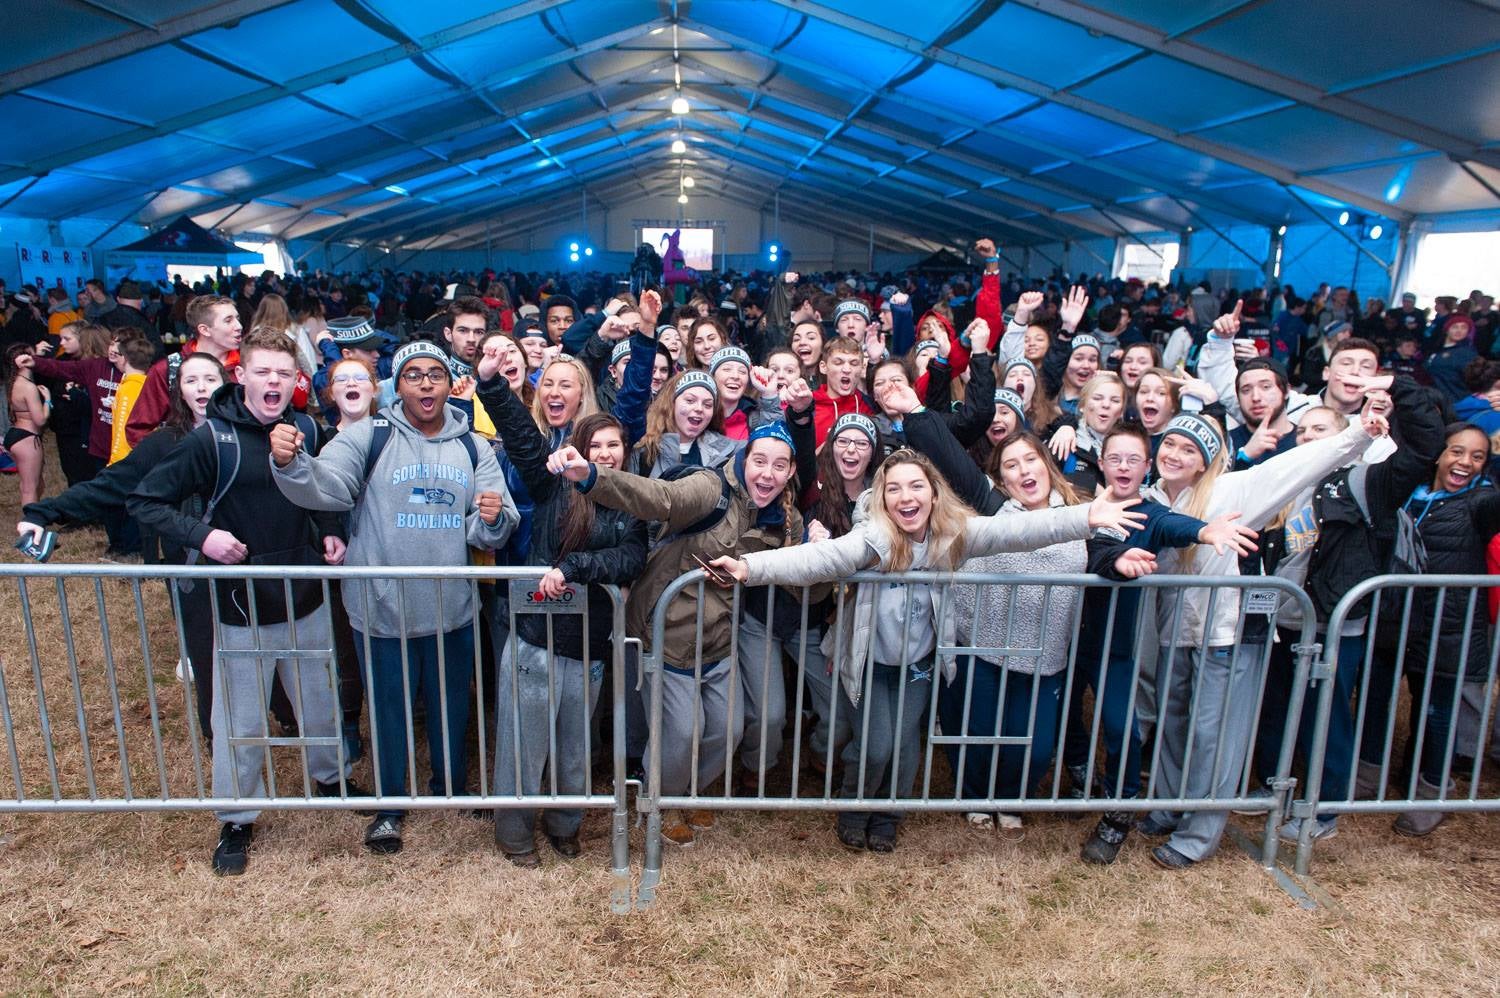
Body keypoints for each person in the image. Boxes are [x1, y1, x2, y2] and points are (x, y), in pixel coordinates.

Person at [710, 450, 1147, 852]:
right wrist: (750, 567)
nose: (906, 496)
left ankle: (889, 813)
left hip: (918, 663)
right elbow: (816, 559)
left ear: (933, 494)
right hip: (873, 662)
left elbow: (1020, 530)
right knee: (876, 746)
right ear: (882, 499)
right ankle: (855, 805)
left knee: (904, 747)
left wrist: (1086, 515)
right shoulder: (873, 541)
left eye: (916, 486)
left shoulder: (953, 535)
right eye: (894, 488)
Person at [269, 340, 518, 856]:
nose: (426, 384)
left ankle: (450, 786)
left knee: (453, 704)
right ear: (396, 385)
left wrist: (492, 517)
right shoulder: (371, 435)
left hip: (451, 607)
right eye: (413, 375)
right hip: (382, 607)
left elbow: (494, 525)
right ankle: (390, 803)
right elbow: (328, 486)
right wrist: (289, 463)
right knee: (388, 710)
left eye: (435, 375)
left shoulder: (473, 446)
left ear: (451, 385)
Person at [127, 330, 356, 876]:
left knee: (320, 700)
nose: (274, 381)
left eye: (284, 373)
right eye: (263, 372)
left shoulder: (304, 427)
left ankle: (330, 780)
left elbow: (318, 491)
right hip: (241, 605)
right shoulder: (212, 440)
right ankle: (237, 817)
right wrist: (202, 538)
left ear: (296, 380)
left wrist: (328, 529)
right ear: (242, 376)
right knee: (240, 718)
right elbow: (144, 500)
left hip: (304, 595)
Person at [1136, 405, 1384, 870]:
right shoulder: (1152, 498)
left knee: (1215, 735)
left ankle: (1198, 833)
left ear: (1207, 460)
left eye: (1189, 449)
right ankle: (1167, 806)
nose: (1174, 453)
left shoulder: (1234, 490)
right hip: (1175, 634)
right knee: (1173, 723)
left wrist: (1355, 435)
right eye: (1169, 443)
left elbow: (1296, 466)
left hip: (1227, 635)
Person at [545, 421, 808, 847]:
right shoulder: (710, 489)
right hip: (665, 634)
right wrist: (592, 477)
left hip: (719, 641)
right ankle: (655, 804)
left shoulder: (786, 520)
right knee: (681, 733)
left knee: (727, 731)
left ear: (791, 470)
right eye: (759, 461)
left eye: (780, 466)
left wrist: (816, 542)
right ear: (744, 458)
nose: (767, 474)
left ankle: (684, 790)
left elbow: (800, 574)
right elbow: (657, 497)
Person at [479, 344, 646, 865]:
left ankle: (565, 823)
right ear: (577, 448)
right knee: (522, 746)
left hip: (592, 645)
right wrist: (491, 385)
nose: (605, 453)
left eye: (614, 445)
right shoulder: (554, 488)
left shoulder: (634, 501)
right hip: (536, 639)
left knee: (576, 747)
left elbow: (629, 558)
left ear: (625, 452)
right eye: (594, 444)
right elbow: (524, 440)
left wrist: (573, 570)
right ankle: (514, 833)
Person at [126, 295, 242, 446]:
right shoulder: (169, 369)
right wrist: (171, 463)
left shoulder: (247, 367)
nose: (239, 326)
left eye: (237, 318)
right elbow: (138, 429)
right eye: (228, 320)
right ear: (204, 330)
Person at [3, 344, 48, 507]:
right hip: (27, 438)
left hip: (15, 435)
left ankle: (34, 516)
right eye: (31, 356)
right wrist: (47, 401)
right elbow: (40, 420)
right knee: (30, 488)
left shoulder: (13, 382)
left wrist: (37, 353)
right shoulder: (28, 387)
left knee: (34, 484)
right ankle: (30, 526)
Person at [107, 335, 154, 465]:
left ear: (124, 359)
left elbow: (124, 431)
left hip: (124, 464)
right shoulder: (147, 386)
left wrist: (114, 463)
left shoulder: (130, 389)